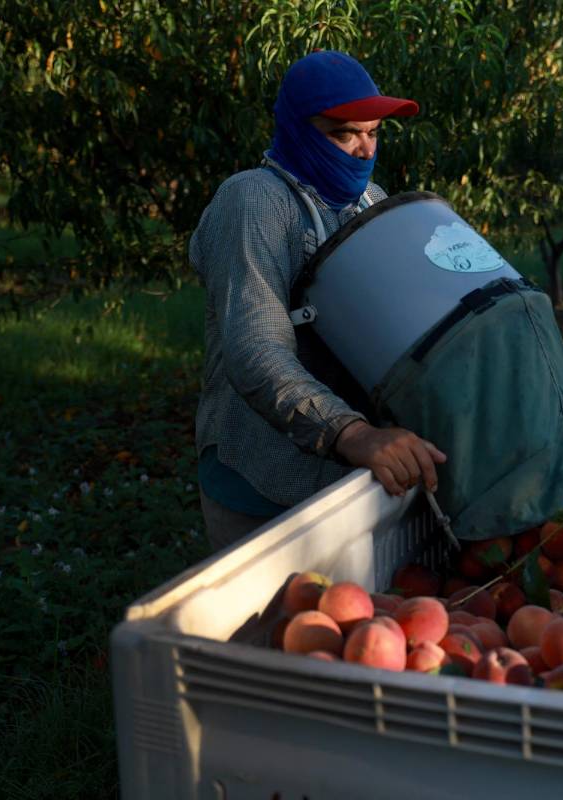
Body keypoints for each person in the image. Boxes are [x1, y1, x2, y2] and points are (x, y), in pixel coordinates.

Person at [189, 51, 447, 551]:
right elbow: (256, 351)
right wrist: (352, 434)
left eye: (373, 133)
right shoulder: (256, 200)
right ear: (298, 129)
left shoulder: (371, 202)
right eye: (343, 133)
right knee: (271, 627)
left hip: (353, 476)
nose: (362, 149)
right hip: (264, 480)